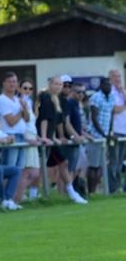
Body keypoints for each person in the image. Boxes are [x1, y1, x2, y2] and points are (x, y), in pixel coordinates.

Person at [36, 75, 87, 204]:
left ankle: (71, 192)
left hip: (51, 138)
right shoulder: (46, 97)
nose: (59, 87)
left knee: (62, 164)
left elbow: (60, 121)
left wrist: (60, 136)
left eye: (61, 85)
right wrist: (44, 137)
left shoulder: (61, 100)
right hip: (43, 137)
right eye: (57, 84)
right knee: (39, 167)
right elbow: (44, 119)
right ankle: (33, 194)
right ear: (50, 84)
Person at [86, 77, 115, 194]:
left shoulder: (112, 97)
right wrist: (103, 133)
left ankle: (96, 190)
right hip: (95, 136)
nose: (109, 87)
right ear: (101, 85)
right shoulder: (96, 97)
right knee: (93, 165)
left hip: (105, 135)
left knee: (101, 165)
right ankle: (91, 192)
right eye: (106, 85)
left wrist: (109, 132)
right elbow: (94, 117)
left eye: (110, 85)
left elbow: (111, 115)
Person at [14, 78, 41, 202]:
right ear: (19, 89)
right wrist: (27, 138)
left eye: (30, 88)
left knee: (35, 172)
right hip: (26, 137)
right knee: (27, 171)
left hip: (33, 136)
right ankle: (18, 197)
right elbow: (21, 123)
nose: (28, 90)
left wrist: (37, 137)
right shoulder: (18, 102)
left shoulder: (29, 102)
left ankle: (29, 196)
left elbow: (32, 123)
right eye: (25, 88)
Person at [0, 71, 29, 169]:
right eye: (9, 81)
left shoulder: (17, 99)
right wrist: (21, 111)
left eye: (14, 82)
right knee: (10, 167)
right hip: (10, 136)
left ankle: (16, 185)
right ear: (4, 83)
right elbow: (11, 122)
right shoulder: (2, 99)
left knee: (20, 168)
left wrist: (25, 109)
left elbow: (26, 119)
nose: (12, 84)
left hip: (22, 135)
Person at [108, 69, 126, 193]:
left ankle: (119, 186)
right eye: (115, 76)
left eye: (119, 76)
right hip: (115, 131)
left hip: (124, 130)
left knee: (121, 161)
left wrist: (123, 93)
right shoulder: (110, 93)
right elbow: (115, 109)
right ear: (110, 78)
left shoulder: (122, 92)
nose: (118, 78)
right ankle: (113, 188)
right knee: (113, 161)